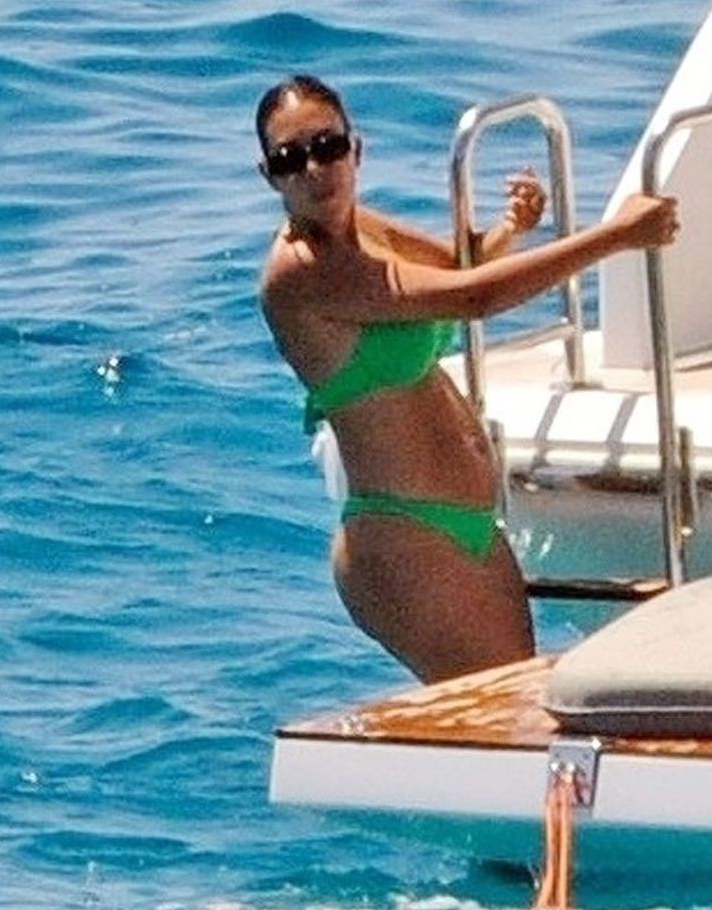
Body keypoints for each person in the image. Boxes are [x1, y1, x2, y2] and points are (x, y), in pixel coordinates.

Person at [257, 73, 679, 683]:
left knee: (508, 715)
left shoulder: (361, 229)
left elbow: (457, 268)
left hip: (461, 529)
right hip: (407, 537)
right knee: (507, 717)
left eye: (327, 146)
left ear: (356, 148)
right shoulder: (303, 272)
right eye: (290, 159)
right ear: (270, 175)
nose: (315, 169)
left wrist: (510, 230)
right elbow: (472, 298)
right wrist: (616, 236)